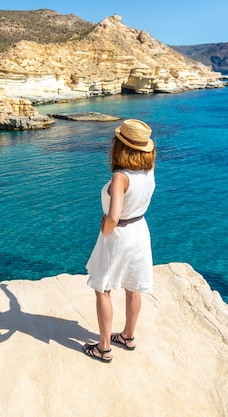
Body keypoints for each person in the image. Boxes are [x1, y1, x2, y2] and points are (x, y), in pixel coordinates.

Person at [83, 119, 156, 363]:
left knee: (103, 288)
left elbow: (113, 216)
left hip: (119, 235)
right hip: (139, 230)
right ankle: (128, 336)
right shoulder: (149, 170)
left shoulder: (120, 178)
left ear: (119, 147)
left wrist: (105, 230)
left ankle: (103, 348)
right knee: (133, 286)